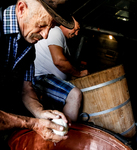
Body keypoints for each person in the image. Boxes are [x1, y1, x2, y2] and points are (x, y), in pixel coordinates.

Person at [0, 0, 76, 148]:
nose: (46, 35)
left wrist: (40, 112)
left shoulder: (29, 47)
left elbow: (26, 88)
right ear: (22, 9)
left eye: (51, 27)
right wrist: (33, 124)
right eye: (41, 25)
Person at [34, 17, 89, 122]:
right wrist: (79, 74)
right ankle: (67, 133)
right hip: (41, 77)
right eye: (76, 29)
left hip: (48, 78)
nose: (76, 33)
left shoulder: (61, 38)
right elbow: (59, 61)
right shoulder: (56, 31)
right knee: (74, 94)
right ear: (65, 23)